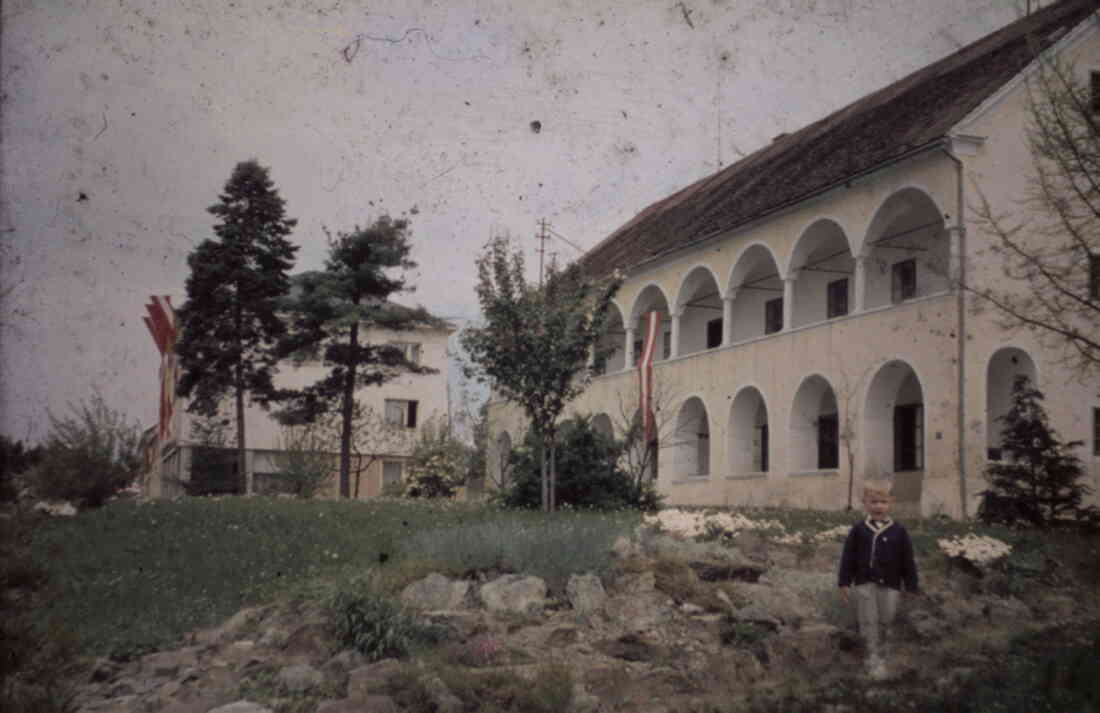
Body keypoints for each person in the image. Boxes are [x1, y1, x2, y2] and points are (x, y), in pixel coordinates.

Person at [837, 486, 919, 680]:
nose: (878, 507)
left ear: (890, 504)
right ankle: (871, 657)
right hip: (865, 583)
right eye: (873, 502)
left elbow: (907, 559)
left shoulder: (899, 530)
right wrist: (844, 582)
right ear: (865, 504)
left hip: (891, 584)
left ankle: (887, 655)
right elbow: (848, 557)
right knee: (867, 620)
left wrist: (911, 585)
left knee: (888, 619)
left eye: (883, 502)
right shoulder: (859, 529)